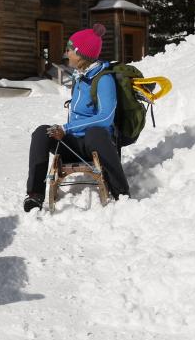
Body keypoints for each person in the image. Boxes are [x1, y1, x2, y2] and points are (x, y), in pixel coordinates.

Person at [23, 24, 130, 212]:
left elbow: (105, 117)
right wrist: (64, 131)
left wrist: (66, 128)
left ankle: (121, 192)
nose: (67, 53)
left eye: (70, 49)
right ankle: (34, 195)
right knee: (41, 132)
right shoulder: (79, 76)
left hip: (96, 145)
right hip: (73, 145)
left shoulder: (104, 79)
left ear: (82, 54)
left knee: (96, 132)